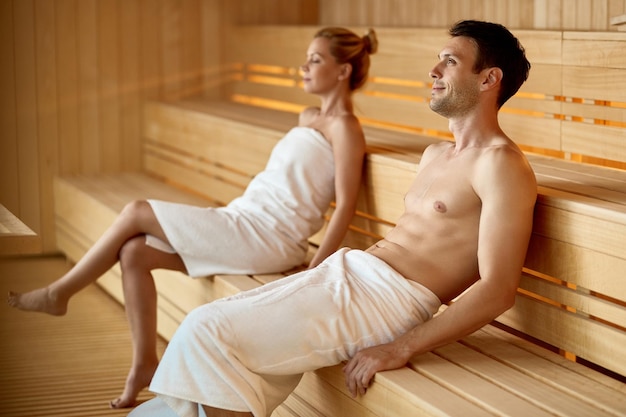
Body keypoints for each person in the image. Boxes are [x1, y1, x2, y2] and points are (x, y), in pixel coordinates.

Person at [128, 19, 537, 417]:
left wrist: (400, 347)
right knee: (212, 339)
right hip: (349, 272)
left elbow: (499, 289)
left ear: (488, 79)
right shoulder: (435, 155)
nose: (433, 70)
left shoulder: (501, 165)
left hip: (388, 300)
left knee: (207, 331)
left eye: (449, 60)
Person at [7, 27, 378, 409]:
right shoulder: (308, 117)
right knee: (134, 253)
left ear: (343, 71)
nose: (303, 67)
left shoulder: (345, 130)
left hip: (268, 235)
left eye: (315, 59)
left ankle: (59, 293)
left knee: (137, 211)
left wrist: (314, 271)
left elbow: (346, 206)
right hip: (243, 215)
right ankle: (144, 364)